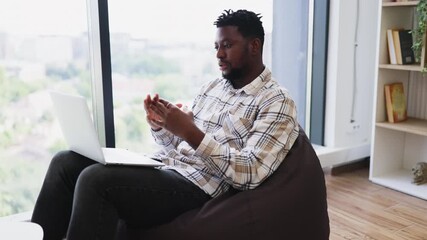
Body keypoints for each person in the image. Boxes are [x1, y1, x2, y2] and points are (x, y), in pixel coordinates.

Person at [31, 9, 299, 240]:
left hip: (199, 186)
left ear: (254, 46)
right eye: (216, 46)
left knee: (96, 180)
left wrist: (189, 131)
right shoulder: (212, 87)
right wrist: (163, 126)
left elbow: (249, 173)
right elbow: (178, 143)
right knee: (65, 161)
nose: (218, 54)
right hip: (165, 167)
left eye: (227, 45)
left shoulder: (276, 101)